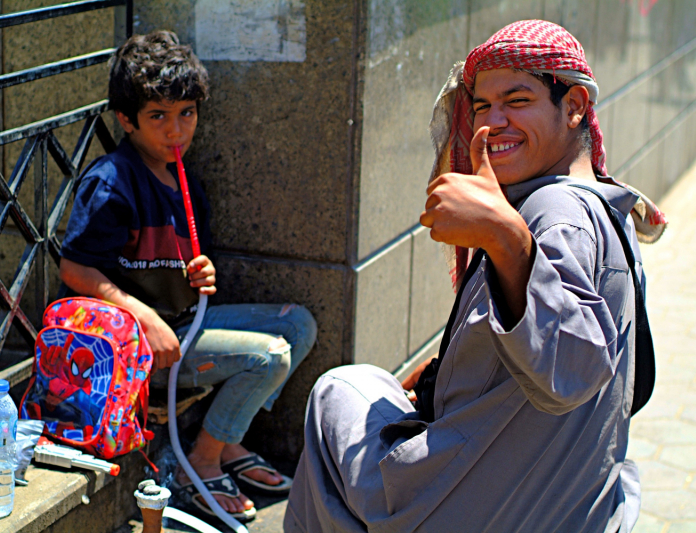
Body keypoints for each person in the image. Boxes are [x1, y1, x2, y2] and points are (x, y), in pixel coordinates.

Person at [285, 20, 667, 533]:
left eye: (517, 99)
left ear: (574, 106)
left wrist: (505, 236)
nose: (493, 123)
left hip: (485, 510)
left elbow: (573, 370)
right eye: (483, 106)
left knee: (340, 389)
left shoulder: (555, 210)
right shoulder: (597, 203)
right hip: (576, 506)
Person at [58, 30, 317, 521]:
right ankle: (196, 462)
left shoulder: (184, 180)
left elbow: (173, 265)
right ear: (126, 120)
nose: (176, 131)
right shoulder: (112, 182)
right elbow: (73, 267)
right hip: (136, 348)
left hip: (181, 325)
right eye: (158, 117)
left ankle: (227, 441)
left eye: (187, 114)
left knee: (298, 324)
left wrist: (200, 272)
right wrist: (139, 314)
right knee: (270, 357)